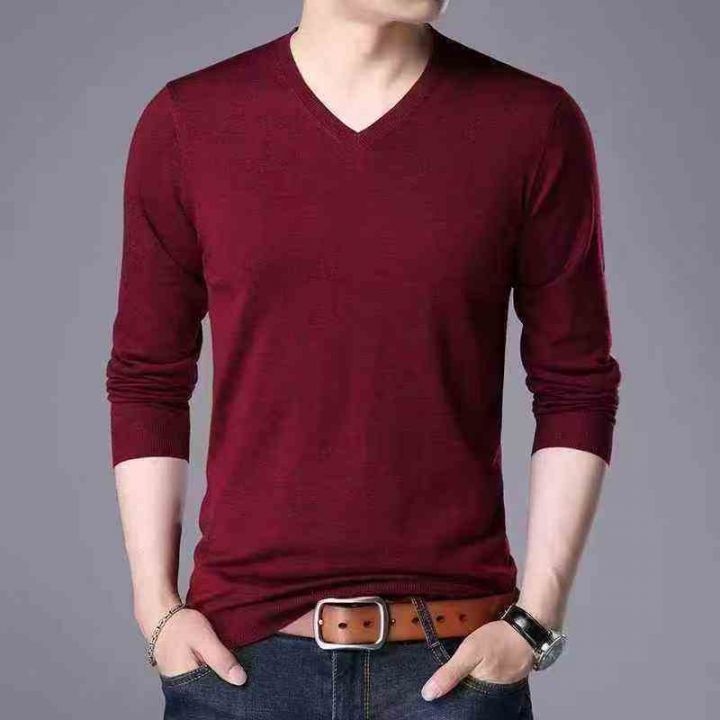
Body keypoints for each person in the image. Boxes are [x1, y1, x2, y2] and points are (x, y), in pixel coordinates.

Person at [105, 0, 621, 718]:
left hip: (455, 668)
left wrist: (536, 620)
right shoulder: (189, 123)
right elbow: (149, 379)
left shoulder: (531, 124)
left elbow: (576, 384)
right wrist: (156, 608)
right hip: (240, 667)